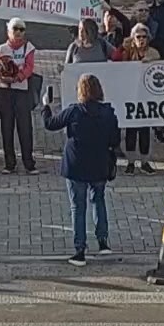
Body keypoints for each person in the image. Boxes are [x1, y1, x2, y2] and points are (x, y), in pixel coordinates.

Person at [44, 73, 122, 266]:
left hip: (76, 164)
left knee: (77, 207)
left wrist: (46, 106)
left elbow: (50, 124)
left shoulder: (74, 112)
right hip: (100, 163)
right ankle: (103, 242)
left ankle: (80, 250)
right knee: (99, 200)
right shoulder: (108, 113)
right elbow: (115, 140)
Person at [0, 19, 40, 174]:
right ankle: (9, 163)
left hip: (22, 91)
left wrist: (17, 77)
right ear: (8, 31)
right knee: (6, 127)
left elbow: (29, 67)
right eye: (15, 29)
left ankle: (29, 162)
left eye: (22, 29)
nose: (18, 32)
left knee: (25, 127)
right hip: (4, 91)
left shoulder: (29, 48)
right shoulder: (1, 49)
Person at [118, 24, 161, 173]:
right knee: (131, 131)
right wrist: (122, 48)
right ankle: (130, 162)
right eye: (138, 37)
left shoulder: (153, 53)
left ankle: (144, 162)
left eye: (144, 37)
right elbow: (116, 62)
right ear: (133, 39)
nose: (141, 40)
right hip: (130, 96)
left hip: (147, 97)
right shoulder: (128, 53)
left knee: (145, 131)